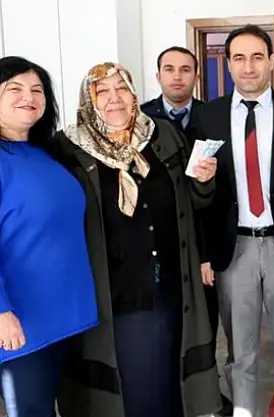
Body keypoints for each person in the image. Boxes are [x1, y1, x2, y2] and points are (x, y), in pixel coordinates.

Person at [50, 62, 221, 417]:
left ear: (134, 94)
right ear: (89, 100)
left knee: (170, 387)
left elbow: (191, 202)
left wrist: (204, 182)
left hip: (170, 287)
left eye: (122, 89)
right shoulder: (67, 148)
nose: (115, 98)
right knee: (128, 391)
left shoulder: (161, 135)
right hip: (113, 293)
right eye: (102, 91)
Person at [195, 24, 274, 417]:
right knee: (240, 354)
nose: (249, 67)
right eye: (239, 58)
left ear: (271, 61)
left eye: (257, 57)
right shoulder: (208, 116)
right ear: (228, 64)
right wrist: (203, 253)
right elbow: (195, 193)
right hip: (233, 249)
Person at [0, 56, 98, 417]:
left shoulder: (47, 155)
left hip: (65, 314)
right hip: (19, 319)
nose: (29, 97)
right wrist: (1, 311)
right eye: (15, 88)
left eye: (37, 90)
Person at [141, 46, 232, 415]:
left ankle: (205, 394)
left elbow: (221, 191)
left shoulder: (213, 118)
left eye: (185, 69)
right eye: (169, 69)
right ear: (158, 75)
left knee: (204, 322)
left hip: (207, 239)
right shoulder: (139, 119)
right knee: (161, 322)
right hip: (156, 241)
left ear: (197, 75)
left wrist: (205, 253)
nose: (177, 76)